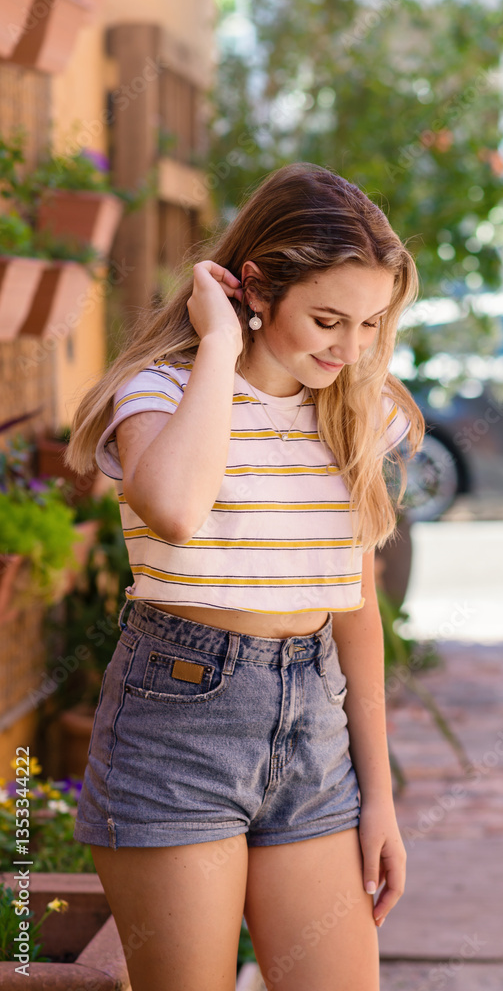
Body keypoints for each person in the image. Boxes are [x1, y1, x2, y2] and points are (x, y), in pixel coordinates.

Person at [65, 161, 425, 991]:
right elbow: (176, 510)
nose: (352, 348)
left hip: (312, 731)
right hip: (178, 726)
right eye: (328, 319)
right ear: (255, 286)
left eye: (371, 323)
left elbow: (355, 610)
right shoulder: (158, 391)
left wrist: (379, 797)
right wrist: (220, 349)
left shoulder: (354, 413)